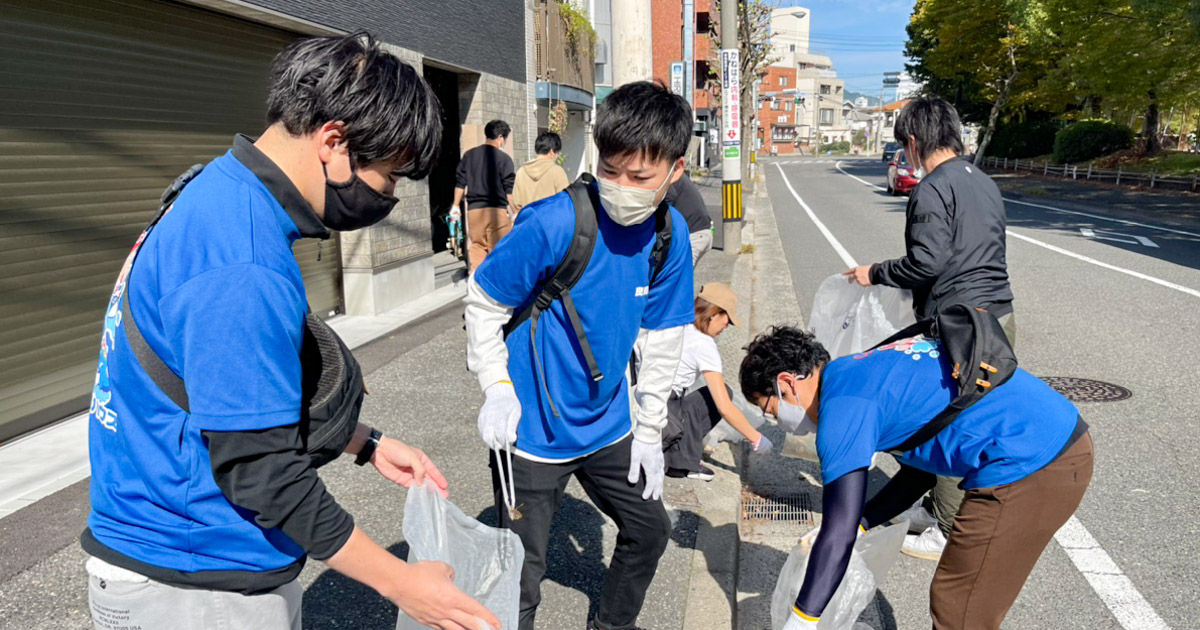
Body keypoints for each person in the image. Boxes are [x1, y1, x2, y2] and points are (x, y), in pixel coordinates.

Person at [83, 35, 499, 630]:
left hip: (164, 544)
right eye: (390, 177)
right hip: (192, 579)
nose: (390, 196)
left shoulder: (213, 191)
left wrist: (366, 442)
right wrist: (405, 586)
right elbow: (260, 472)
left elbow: (225, 392)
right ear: (333, 141)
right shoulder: (241, 263)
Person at [464, 80, 695, 630]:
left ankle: (612, 624)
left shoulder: (670, 233)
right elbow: (483, 300)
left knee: (650, 529)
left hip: (610, 424)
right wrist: (497, 389)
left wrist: (648, 430)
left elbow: (664, 337)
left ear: (675, 171)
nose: (621, 186)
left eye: (640, 177)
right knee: (522, 572)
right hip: (532, 433)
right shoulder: (553, 222)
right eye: (610, 169)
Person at [739, 326, 1092, 630]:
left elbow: (838, 533)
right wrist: (861, 522)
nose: (774, 419)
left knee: (960, 605)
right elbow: (919, 472)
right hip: (1058, 436)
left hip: (1034, 463)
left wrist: (801, 619)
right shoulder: (853, 371)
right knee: (963, 597)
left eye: (768, 407)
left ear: (786, 381)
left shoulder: (841, 410)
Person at [843, 97, 1017, 560]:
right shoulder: (982, 181)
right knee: (956, 415)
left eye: (906, 147)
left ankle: (948, 526)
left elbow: (927, 262)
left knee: (951, 420)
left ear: (915, 142)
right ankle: (933, 506)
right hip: (998, 315)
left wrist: (874, 272)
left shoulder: (932, 188)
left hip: (963, 326)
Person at [663, 283, 770, 480]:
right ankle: (682, 462)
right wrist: (756, 438)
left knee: (708, 396)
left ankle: (676, 458)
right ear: (714, 313)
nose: (725, 327)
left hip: (647, 401)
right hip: (664, 413)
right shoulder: (704, 344)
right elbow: (724, 407)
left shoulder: (679, 323)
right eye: (727, 320)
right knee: (719, 397)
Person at [453, 119, 516, 270]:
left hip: (474, 211)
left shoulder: (469, 155)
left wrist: (455, 206)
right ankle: (496, 286)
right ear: (501, 137)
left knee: (477, 247)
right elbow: (508, 191)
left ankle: (476, 280)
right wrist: (514, 211)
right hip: (496, 212)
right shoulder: (504, 159)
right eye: (505, 139)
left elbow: (460, 183)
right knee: (500, 249)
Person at [512, 131, 570, 213]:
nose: (557, 156)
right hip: (551, 222)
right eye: (557, 152)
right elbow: (565, 202)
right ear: (552, 151)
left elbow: (517, 203)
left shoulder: (521, 172)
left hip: (529, 221)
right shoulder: (557, 172)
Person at [663, 174, 714, 265]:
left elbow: (669, 197)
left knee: (679, 276)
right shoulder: (673, 172)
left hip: (693, 235)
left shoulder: (667, 174)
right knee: (682, 275)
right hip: (700, 232)